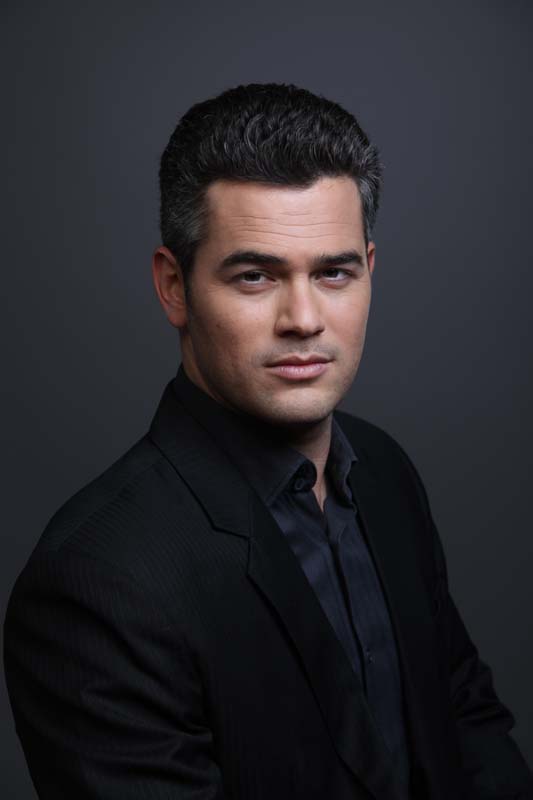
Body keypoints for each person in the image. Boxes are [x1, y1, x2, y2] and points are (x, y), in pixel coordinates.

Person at [4, 82, 532, 800]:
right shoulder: (95, 581)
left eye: (334, 272)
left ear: (369, 272)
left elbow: (466, 723)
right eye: (255, 276)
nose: (304, 318)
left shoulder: (385, 472)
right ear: (173, 286)